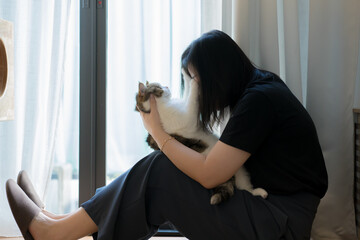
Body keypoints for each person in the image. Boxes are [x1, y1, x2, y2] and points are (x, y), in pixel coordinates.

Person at [6, 30, 328, 240]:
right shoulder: (259, 91)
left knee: (161, 169)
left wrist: (158, 133)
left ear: (217, 73)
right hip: (271, 214)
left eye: (195, 79)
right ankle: (60, 221)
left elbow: (210, 173)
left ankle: (55, 231)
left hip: (280, 224)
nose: (194, 89)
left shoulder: (259, 100)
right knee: (160, 168)